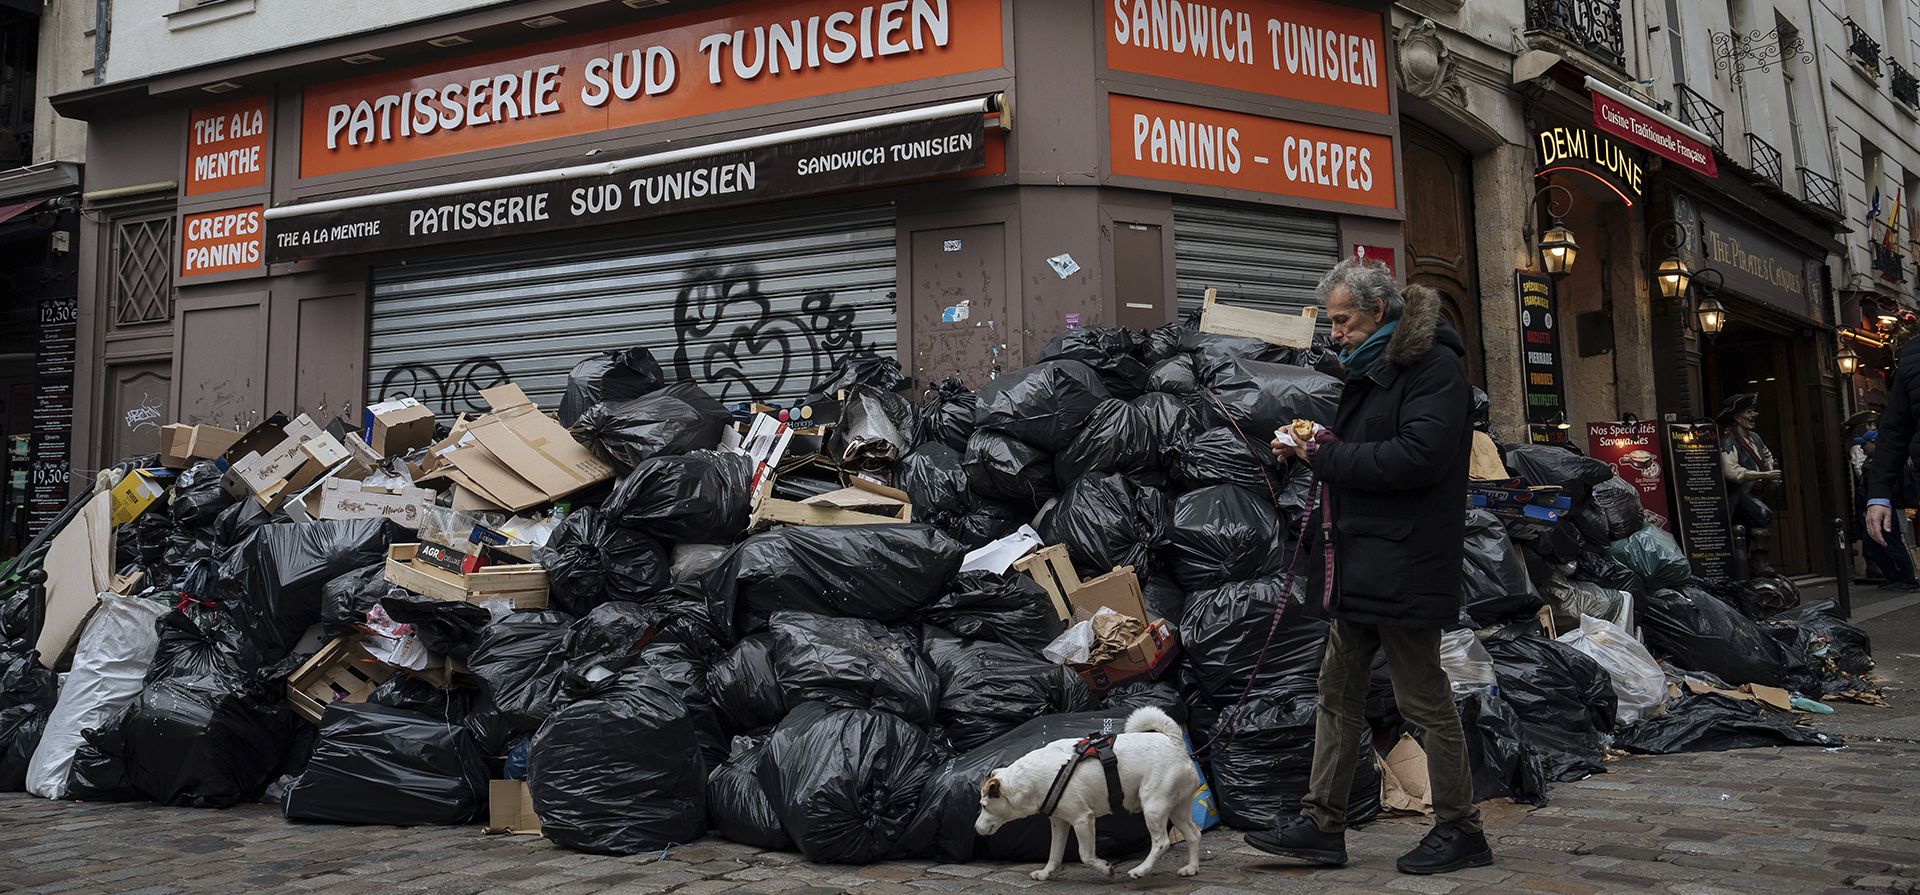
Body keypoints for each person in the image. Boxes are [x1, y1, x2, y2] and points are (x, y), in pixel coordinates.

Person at [1249, 258, 1489, 875]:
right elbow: (1366, 451)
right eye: (1331, 322)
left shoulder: (1434, 368)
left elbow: (1415, 459)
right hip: (1361, 561)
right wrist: (1318, 449)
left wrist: (1323, 455)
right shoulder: (1373, 370)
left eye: (1343, 320)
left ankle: (1462, 828)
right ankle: (1321, 824)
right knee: (1337, 690)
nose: (1334, 333)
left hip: (1406, 563)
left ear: (1379, 312)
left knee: (1422, 698)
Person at [1717, 393, 1782, 578]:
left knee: (1747, 528)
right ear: (1737, 416)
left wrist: (1770, 471)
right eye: (1748, 412)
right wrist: (1764, 474)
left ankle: (1751, 565)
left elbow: (1767, 455)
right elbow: (1731, 471)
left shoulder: (1755, 437)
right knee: (1762, 514)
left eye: (1754, 411)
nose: (1754, 415)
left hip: (1756, 491)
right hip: (1740, 495)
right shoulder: (1728, 438)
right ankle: (1758, 563)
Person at [1853, 429, 1919, 590]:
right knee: (1873, 544)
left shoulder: (1888, 462)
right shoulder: (1874, 460)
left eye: (1865, 444)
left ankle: (1908, 579)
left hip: (1887, 507)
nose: (1861, 447)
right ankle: (1893, 576)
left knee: (1893, 543)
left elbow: (1889, 486)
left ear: (1875, 443)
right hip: (1878, 507)